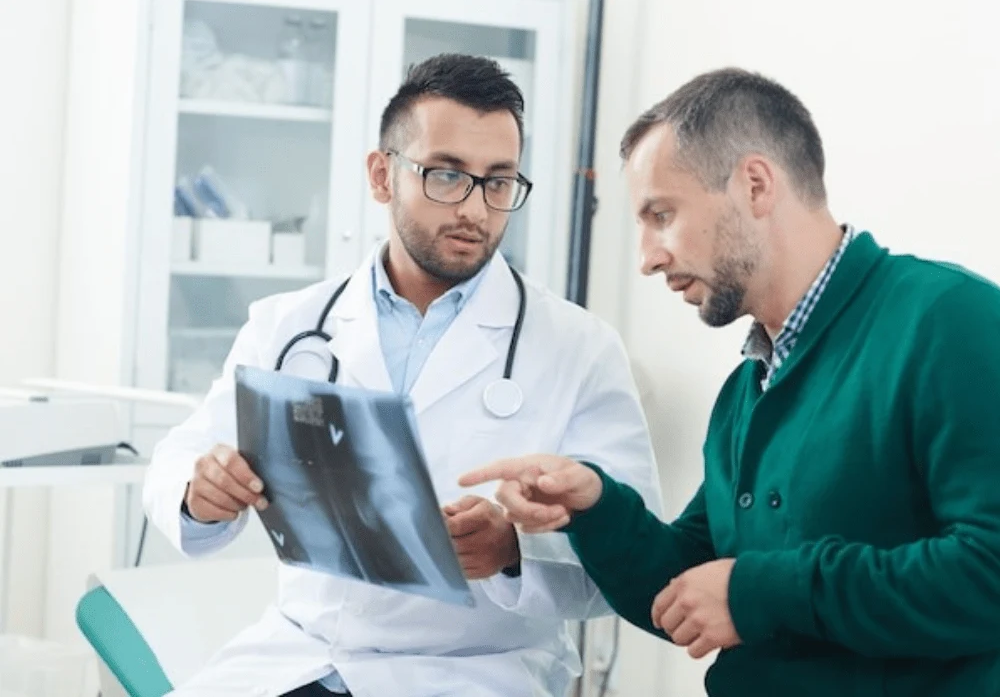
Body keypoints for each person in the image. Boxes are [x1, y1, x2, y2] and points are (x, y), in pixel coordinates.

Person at [460, 67, 1000, 697]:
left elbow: (988, 568)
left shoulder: (951, 321)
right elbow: (684, 587)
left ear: (755, 184)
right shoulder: (749, 387)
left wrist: (762, 591)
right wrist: (595, 507)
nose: (648, 257)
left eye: (662, 214)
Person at [142, 53, 662, 697]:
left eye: (498, 182)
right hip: (300, 656)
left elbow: (635, 556)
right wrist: (201, 491)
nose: (475, 209)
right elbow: (182, 457)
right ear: (382, 175)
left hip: (474, 671)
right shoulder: (287, 324)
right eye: (447, 175)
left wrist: (513, 553)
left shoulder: (581, 349)